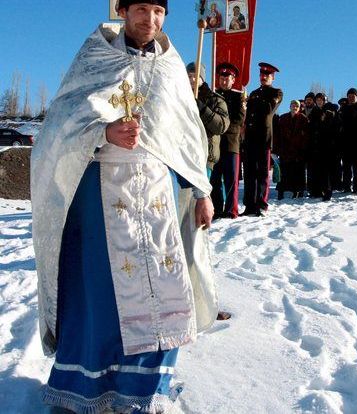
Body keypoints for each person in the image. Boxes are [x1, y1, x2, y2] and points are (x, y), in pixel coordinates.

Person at [31, 1, 219, 412]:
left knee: (163, 290)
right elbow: (60, 126)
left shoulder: (171, 67)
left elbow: (186, 138)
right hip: (99, 196)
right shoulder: (96, 55)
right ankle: (87, 384)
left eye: (157, 11)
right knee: (100, 291)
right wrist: (103, 130)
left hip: (157, 196)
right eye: (140, 9)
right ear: (124, 11)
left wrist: (201, 192)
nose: (149, 20)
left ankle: (147, 387)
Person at [242, 62, 283, 216]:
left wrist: (251, 102)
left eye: (267, 75)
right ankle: (249, 205)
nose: (263, 77)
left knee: (262, 173)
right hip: (250, 138)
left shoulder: (276, 93)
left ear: (272, 77)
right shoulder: (253, 93)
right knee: (250, 173)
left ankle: (261, 205)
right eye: (262, 75)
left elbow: (268, 109)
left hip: (263, 138)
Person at [211, 62, 246, 220]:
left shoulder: (239, 97)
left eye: (228, 78)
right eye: (222, 78)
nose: (224, 81)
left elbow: (238, 119)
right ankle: (217, 208)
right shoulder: (212, 96)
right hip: (215, 144)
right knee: (215, 179)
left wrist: (220, 125)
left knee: (231, 179)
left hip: (231, 143)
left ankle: (231, 209)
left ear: (233, 80)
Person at [274, 100, 308, 199]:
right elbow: (278, 134)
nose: (294, 107)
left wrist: (303, 147)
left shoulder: (303, 118)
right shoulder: (283, 118)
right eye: (293, 105)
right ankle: (281, 192)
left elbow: (306, 135)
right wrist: (277, 149)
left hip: (298, 150)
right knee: (284, 172)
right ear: (290, 107)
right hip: (285, 150)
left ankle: (297, 191)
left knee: (297, 172)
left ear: (299, 108)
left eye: (296, 106)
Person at [306, 93, 337, 201]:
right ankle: (316, 191)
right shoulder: (314, 111)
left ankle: (327, 192)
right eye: (317, 100)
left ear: (324, 100)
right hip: (315, 145)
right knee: (316, 169)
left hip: (326, 145)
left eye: (321, 100)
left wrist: (327, 119)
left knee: (326, 170)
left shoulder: (329, 110)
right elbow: (310, 126)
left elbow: (332, 127)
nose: (319, 101)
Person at [337, 88, 357, 194]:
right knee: (346, 167)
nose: (351, 98)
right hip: (345, 143)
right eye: (349, 96)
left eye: (353, 96)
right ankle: (346, 187)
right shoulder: (343, 109)